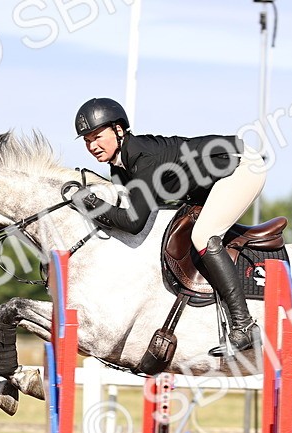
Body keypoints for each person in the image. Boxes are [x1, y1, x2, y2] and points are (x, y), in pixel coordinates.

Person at [69, 97, 266, 357]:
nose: (92, 145)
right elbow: (129, 214)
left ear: (118, 130)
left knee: (204, 236)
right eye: (87, 140)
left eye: (97, 136)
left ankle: (244, 326)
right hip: (208, 181)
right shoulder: (120, 168)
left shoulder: (143, 158)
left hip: (241, 166)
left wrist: (90, 203)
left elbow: (132, 222)